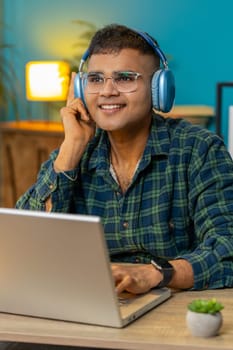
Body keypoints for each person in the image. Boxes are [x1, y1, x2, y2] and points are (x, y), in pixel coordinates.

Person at [16, 23, 233, 293]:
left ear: (159, 89)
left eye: (125, 78)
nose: (107, 91)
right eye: (95, 79)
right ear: (82, 90)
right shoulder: (74, 154)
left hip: (173, 304)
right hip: (93, 300)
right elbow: (24, 247)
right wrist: (72, 146)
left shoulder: (199, 150)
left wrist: (157, 274)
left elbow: (227, 248)